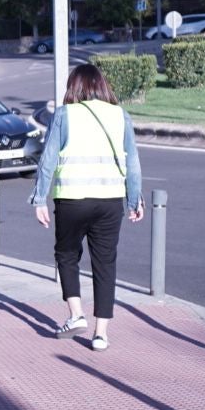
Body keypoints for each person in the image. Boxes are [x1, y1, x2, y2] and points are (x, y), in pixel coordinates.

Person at [29, 64, 145, 352]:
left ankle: (76, 315)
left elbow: (48, 159)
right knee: (105, 264)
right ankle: (101, 334)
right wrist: (134, 199)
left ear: (75, 87)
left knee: (66, 254)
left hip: (72, 198)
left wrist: (39, 198)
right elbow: (132, 162)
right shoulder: (120, 115)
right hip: (109, 201)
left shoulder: (65, 115)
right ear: (102, 85)